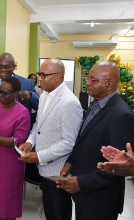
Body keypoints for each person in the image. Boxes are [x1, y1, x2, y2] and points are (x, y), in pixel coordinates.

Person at [57, 61, 134, 220]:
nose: (87, 83)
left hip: (101, 199)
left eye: (93, 80)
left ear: (109, 84)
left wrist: (82, 182)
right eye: (87, 78)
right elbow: (83, 141)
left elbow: (117, 167)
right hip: (84, 196)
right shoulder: (95, 105)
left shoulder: (121, 115)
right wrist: (70, 163)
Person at [18, 58, 83, 220]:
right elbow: (39, 125)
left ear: (58, 77)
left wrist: (39, 156)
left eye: (43, 75)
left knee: (59, 213)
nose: (40, 78)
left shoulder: (69, 102)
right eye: (39, 74)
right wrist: (30, 142)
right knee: (49, 211)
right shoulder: (45, 96)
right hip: (44, 169)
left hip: (58, 171)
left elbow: (69, 143)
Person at [0, 53, 39, 220]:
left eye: (7, 66)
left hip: (10, 156)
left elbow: (37, 103)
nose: (3, 70)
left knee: (7, 197)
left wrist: (30, 96)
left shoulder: (23, 102)